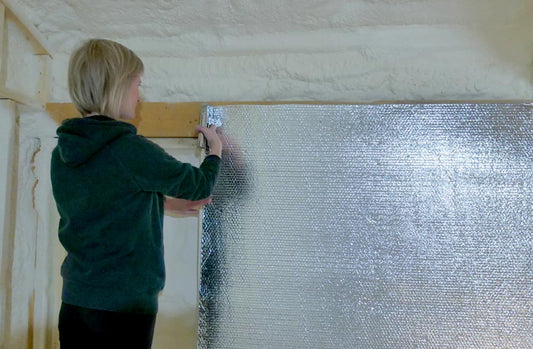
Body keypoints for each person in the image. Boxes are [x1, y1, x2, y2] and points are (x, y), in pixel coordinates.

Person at [50, 38, 223, 349]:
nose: (139, 96)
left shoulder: (64, 151)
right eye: (136, 85)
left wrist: (162, 202)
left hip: (76, 304)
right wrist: (215, 153)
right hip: (123, 312)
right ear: (116, 86)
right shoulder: (129, 149)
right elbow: (199, 184)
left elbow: (102, 203)